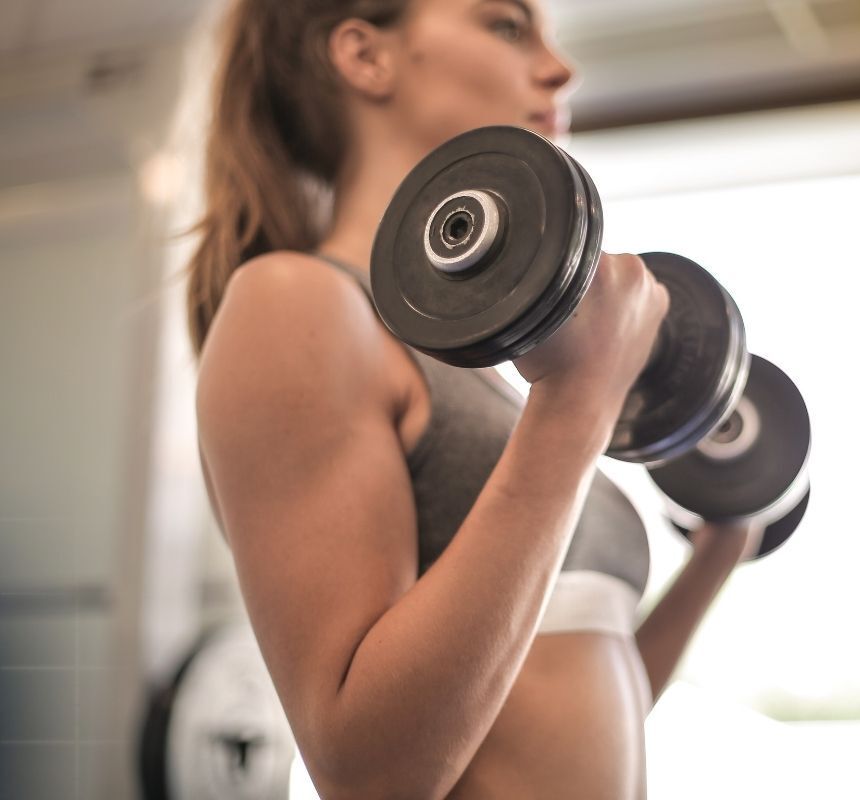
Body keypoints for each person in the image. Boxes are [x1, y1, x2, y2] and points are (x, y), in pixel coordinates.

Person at [188, 0, 760, 796]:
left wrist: (721, 550)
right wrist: (579, 402)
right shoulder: (299, 303)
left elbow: (582, 693)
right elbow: (370, 773)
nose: (560, 67)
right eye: (506, 25)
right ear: (365, 57)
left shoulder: (493, 371)